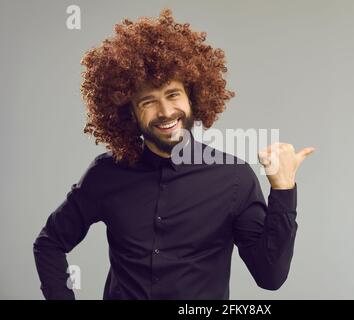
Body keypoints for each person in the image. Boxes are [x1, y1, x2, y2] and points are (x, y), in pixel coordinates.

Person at [33, 8, 315, 300]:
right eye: (148, 101)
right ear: (129, 112)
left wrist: (283, 190)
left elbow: (270, 276)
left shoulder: (234, 179)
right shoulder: (106, 174)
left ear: (193, 98)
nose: (166, 112)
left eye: (173, 95)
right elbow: (50, 243)